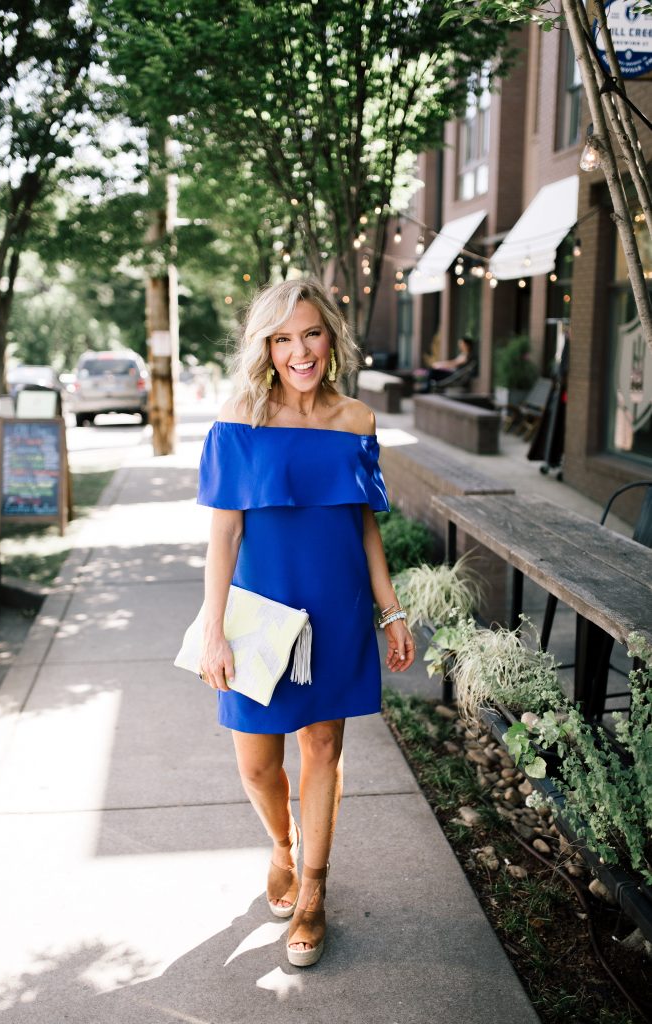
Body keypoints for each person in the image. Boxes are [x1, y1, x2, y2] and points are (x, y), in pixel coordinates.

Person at [196, 277, 415, 968]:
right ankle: (282, 845)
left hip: (335, 609)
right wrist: (213, 629)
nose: (300, 351)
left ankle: (314, 892)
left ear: (331, 338)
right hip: (259, 613)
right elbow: (224, 534)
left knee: (323, 747)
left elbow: (364, 526)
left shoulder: (356, 420)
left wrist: (391, 610)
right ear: (266, 347)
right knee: (258, 764)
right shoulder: (241, 418)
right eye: (284, 338)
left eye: (312, 333)